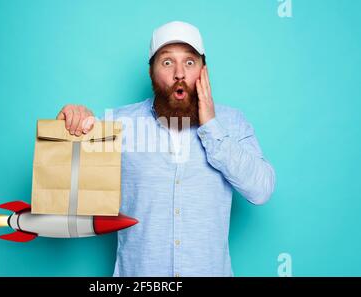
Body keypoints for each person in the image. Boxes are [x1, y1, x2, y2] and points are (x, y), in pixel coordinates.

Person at [56, 21, 276, 276]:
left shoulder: (232, 123)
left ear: (204, 71)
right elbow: (68, 195)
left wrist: (212, 127)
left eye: (190, 62)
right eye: (167, 62)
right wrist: (72, 128)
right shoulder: (117, 125)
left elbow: (262, 190)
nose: (179, 73)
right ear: (151, 71)